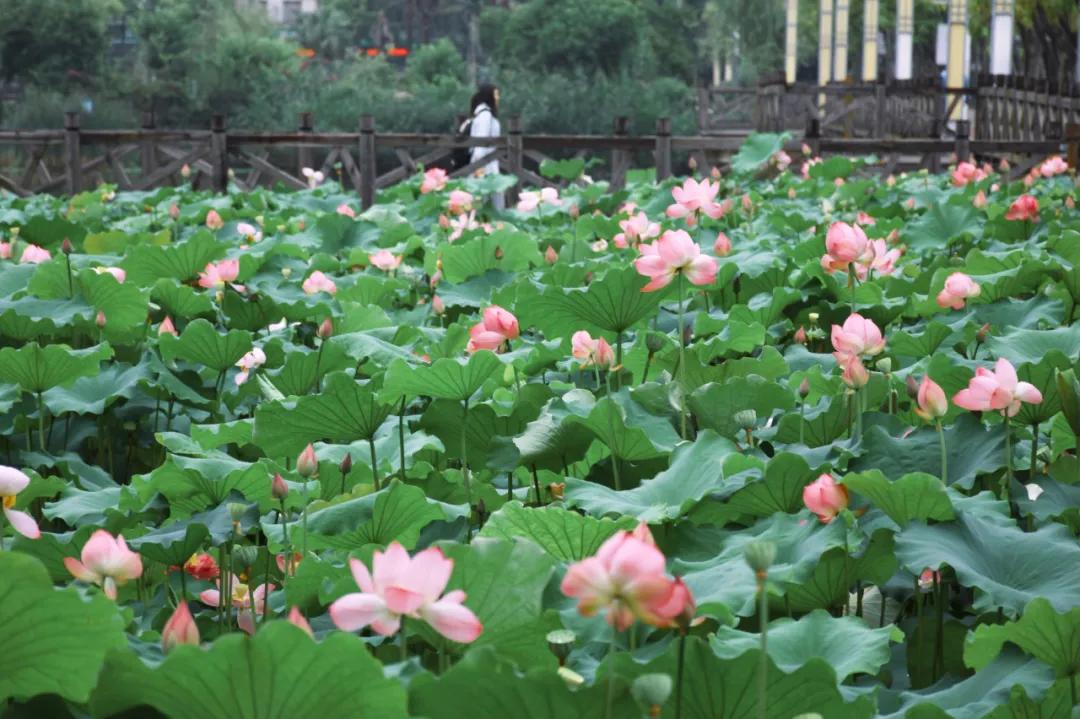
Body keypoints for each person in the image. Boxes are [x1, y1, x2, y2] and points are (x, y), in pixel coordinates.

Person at [467, 83, 504, 208]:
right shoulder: (485, 116)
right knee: (490, 209)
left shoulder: (482, 115)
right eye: (496, 94)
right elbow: (480, 145)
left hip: (486, 167)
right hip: (485, 170)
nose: (498, 98)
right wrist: (479, 169)